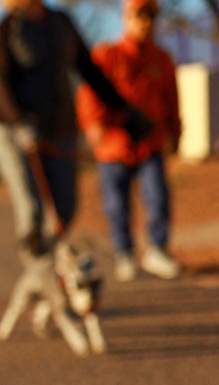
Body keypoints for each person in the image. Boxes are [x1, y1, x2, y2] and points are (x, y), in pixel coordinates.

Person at [0, 0, 150, 257]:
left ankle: (50, 265)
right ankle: (40, 271)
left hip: (59, 129)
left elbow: (89, 70)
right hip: (15, 132)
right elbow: (0, 84)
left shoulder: (61, 22)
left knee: (65, 209)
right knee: (33, 211)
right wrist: (19, 122)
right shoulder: (5, 29)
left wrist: (124, 110)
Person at [76, 0, 182, 280]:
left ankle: (157, 249)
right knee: (116, 205)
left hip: (150, 142)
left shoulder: (161, 59)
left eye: (150, 17)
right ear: (126, 19)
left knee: (158, 197)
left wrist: (176, 132)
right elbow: (89, 92)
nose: (145, 24)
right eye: (139, 17)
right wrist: (93, 123)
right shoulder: (107, 55)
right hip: (114, 144)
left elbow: (172, 99)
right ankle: (124, 253)